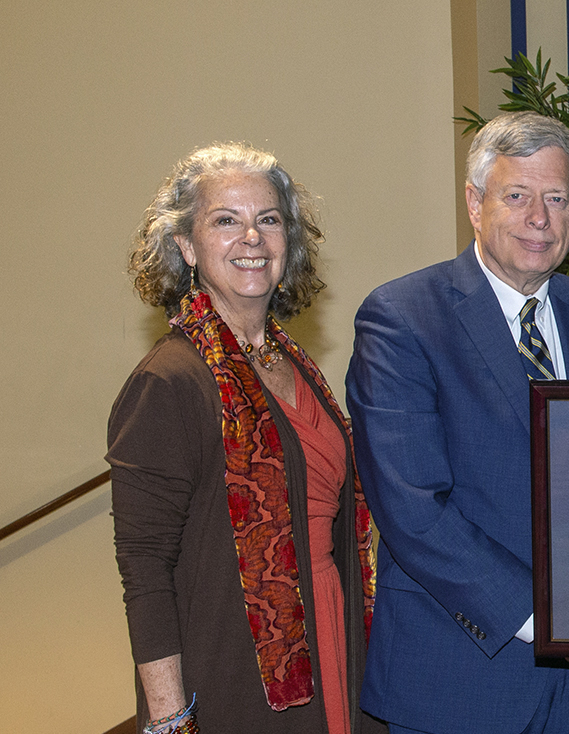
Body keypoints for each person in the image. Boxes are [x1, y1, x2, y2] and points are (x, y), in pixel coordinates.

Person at [346, 111, 569, 734]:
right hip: (460, 681)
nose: (539, 219)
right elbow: (415, 510)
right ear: (474, 203)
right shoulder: (402, 318)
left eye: (557, 199)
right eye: (517, 195)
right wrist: (557, 623)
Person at [108, 143, 381, 734]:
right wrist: (169, 718)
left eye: (269, 219)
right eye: (226, 220)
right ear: (185, 246)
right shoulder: (169, 380)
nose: (252, 237)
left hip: (329, 630)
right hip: (235, 672)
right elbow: (145, 566)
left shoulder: (291, 360)